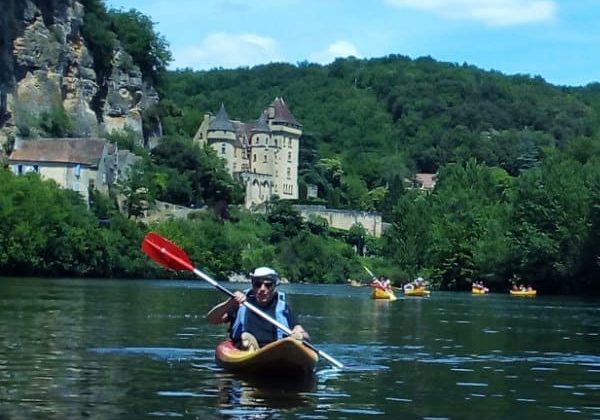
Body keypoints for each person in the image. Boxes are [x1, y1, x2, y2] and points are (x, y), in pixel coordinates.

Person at [206, 266, 309, 351]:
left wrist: (300, 335)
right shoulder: (241, 303)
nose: (262, 289)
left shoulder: (283, 307)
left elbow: (300, 330)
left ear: (274, 286)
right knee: (246, 343)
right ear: (252, 285)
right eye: (258, 284)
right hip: (244, 349)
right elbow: (212, 319)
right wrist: (229, 302)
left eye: (268, 285)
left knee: (294, 340)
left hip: (275, 349)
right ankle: (250, 345)